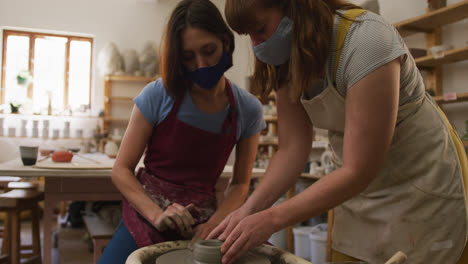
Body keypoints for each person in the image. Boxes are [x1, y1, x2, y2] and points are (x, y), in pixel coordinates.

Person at [208, 1, 468, 264]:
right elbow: (292, 149)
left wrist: (272, 218)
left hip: (420, 183)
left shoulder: (366, 39)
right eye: (248, 36)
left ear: (295, 7)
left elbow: (359, 169)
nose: (256, 46)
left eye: (260, 29)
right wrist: (249, 210)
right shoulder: (288, 59)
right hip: (358, 191)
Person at [97, 0, 266, 263]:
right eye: (188, 57)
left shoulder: (247, 109)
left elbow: (241, 184)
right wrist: (156, 215)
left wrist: (217, 224)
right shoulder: (158, 94)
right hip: (149, 213)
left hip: (205, 219)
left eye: (209, 51)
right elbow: (121, 170)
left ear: (227, 43)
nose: (201, 64)